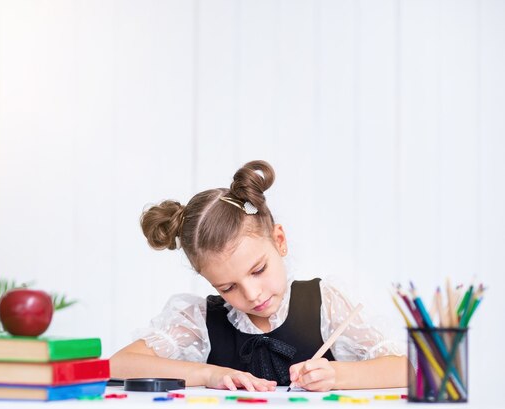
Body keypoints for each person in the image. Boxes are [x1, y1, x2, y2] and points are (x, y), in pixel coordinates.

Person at [110, 160, 407, 392]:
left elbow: (403, 369)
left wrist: (338, 375)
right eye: (228, 287)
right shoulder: (200, 320)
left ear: (279, 240)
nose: (251, 294)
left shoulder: (324, 304)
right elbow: (117, 365)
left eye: (258, 270)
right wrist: (209, 373)